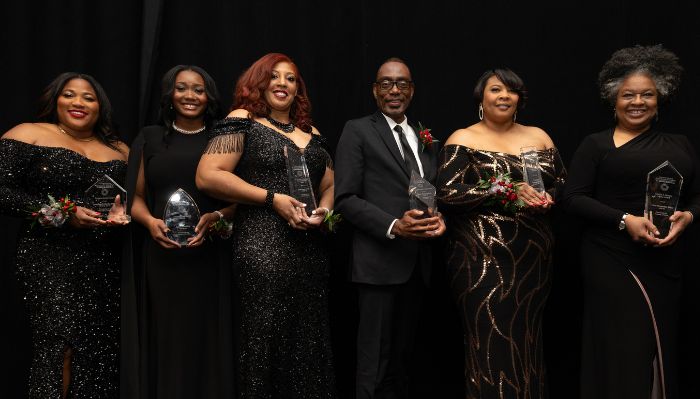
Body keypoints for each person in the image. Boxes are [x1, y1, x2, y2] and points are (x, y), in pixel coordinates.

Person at [196, 53, 336, 398]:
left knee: (309, 341)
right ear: (259, 82)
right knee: (265, 339)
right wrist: (273, 199)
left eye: (291, 79)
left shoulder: (312, 132)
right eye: (275, 76)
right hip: (263, 247)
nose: (283, 84)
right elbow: (208, 176)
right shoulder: (243, 120)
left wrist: (324, 212)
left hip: (311, 250)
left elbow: (330, 185)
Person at [562, 45, 699, 399]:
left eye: (647, 94)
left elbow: (697, 197)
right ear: (614, 98)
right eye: (628, 95)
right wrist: (625, 220)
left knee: (658, 345)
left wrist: (688, 217)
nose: (637, 101)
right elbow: (573, 198)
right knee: (626, 348)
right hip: (612, 260)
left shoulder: (680, 144)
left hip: (665, 262)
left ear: (660, 97)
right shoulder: (596, 145)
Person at [436, 68, 565, 398]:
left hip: (534, 259)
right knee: (491, 343)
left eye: (511, 90)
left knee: (528, 342)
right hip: (483, 262)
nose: (504, 96)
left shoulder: (539, 136)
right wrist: (507, 189)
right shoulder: (463, 138)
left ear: (520, 99)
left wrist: (551, 196)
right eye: (496, 90)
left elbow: (563, 184)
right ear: (482, 98)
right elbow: (448, 193)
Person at [0, 72, 129, 398]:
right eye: (69, 95)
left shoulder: (120, 149)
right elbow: (2, 191)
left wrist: (122, 215)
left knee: (97, 350)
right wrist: (62, 215)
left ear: (101, 107)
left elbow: (135, 199)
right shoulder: (28, 133)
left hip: (103, 260)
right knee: (60, 343)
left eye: (89, 97)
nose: (79, 103)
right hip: (48, 255)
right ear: (55, 100)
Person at [334, 57, 446, 399]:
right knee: (374, 363)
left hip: (417, 267)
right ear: (375, 90)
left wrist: (436, 218)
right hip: (378, 265)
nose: (394, 90)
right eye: (386, 83)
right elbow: (345, 199)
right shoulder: (358, 129)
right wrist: (395, 226)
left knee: (403, 361)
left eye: (401, 84)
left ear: (411, 91)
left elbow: (426, 191)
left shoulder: (424, 137)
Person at [125, 65, 235, 398]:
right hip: (162, 259)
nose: (190, 96)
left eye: (198, 90)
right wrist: (149, 223)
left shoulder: (224, 138)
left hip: (210, 259)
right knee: (167, 336)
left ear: (209, 96)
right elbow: (137, 197)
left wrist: (217, 216)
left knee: (208, 336)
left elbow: (240, 200)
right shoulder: (149, 137)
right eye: (182, 88)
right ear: (170, 95)